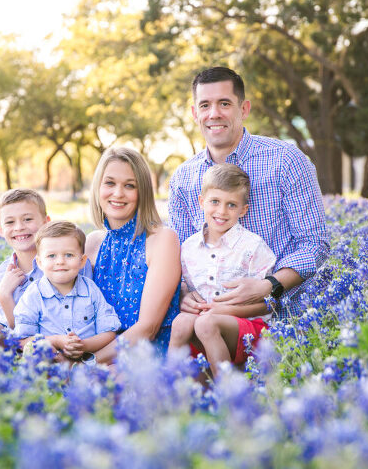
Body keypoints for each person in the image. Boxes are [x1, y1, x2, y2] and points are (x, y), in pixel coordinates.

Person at [168, 67, 329, 320]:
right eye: (205, 105)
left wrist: (269, 285)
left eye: (224, 103)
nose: (214, 113)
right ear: (194, 113)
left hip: (282, 317)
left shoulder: (286, 160)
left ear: (244, 109)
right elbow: (178, 254)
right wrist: (183, 293)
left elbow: (314, 244)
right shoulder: (182, 178)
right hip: (205, 317)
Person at [169, 164, 276, 375]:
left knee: (206, 324)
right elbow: (185, 288)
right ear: (202, 202)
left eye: (231, 205)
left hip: (247, 331)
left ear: (243, 210)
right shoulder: (189, 248)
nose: (221, 211)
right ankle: (171, 384)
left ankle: (228, 390)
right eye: (215, 202)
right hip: (203, 326)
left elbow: (268, 304)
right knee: (181, 322)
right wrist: (186, 297)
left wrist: (225, 310)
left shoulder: (253, 246)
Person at [84, 147, 181, 363]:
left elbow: (148, 328)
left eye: (129, 185)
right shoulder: (92, 244)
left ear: (142, 192)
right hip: (96, 353)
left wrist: (86, 365)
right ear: (98, 187)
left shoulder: (162, 239)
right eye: (110, 183)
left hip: (145, 360)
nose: (118, 193)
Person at [13, 221, 121, 363]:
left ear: (82, 261)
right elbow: (22, 341)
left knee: (117, 369)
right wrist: (56, 341)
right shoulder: (33, 294)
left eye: (69, 255)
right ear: (39, 263)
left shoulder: (91, 289)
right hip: (49, 364)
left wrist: (83, 345)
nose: (60, 261)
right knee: (41, 351)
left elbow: (109, 332)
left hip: (88, 362)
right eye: (51, 256)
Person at [0, 189, 92, 332]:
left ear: (46, 222)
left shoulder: (70, 264)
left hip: (72, 336)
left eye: (28, 219)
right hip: (25, 340)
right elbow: (15, 332)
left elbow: (85, 315)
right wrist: (4, 296)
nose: (19, 227)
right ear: (0, 230)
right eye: (10, 222)